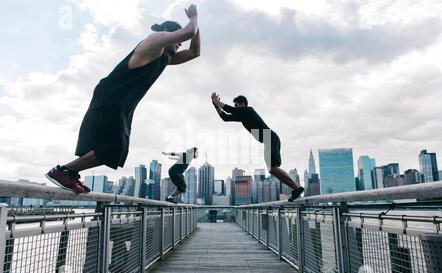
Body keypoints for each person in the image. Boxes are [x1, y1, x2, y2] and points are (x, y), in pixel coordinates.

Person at [46, 5, 201, 194]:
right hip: (113, 97)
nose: (180, 45)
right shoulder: (154, 41)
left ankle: (68, 173)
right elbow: (188, 32)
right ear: (168, 32)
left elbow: (194, 52)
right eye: (177, 40)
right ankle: (63, 171)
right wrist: (194, 18)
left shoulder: (165, 57)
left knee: (116, 150)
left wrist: (196, 26)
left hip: (124, 103)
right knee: (113, 147)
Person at [211, 92, 304, 202]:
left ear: (243, 104)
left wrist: (217, 101)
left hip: (270, 138)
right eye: (235, 106)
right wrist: (216, 105)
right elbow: (225, 117)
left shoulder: (248, 110)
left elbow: (230, 109)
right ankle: (296, 188)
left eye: (237, 105)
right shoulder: (243, 117)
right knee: (272, 170)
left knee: (273, 168)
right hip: (267, 140)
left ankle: (297, 188)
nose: (236, 108)